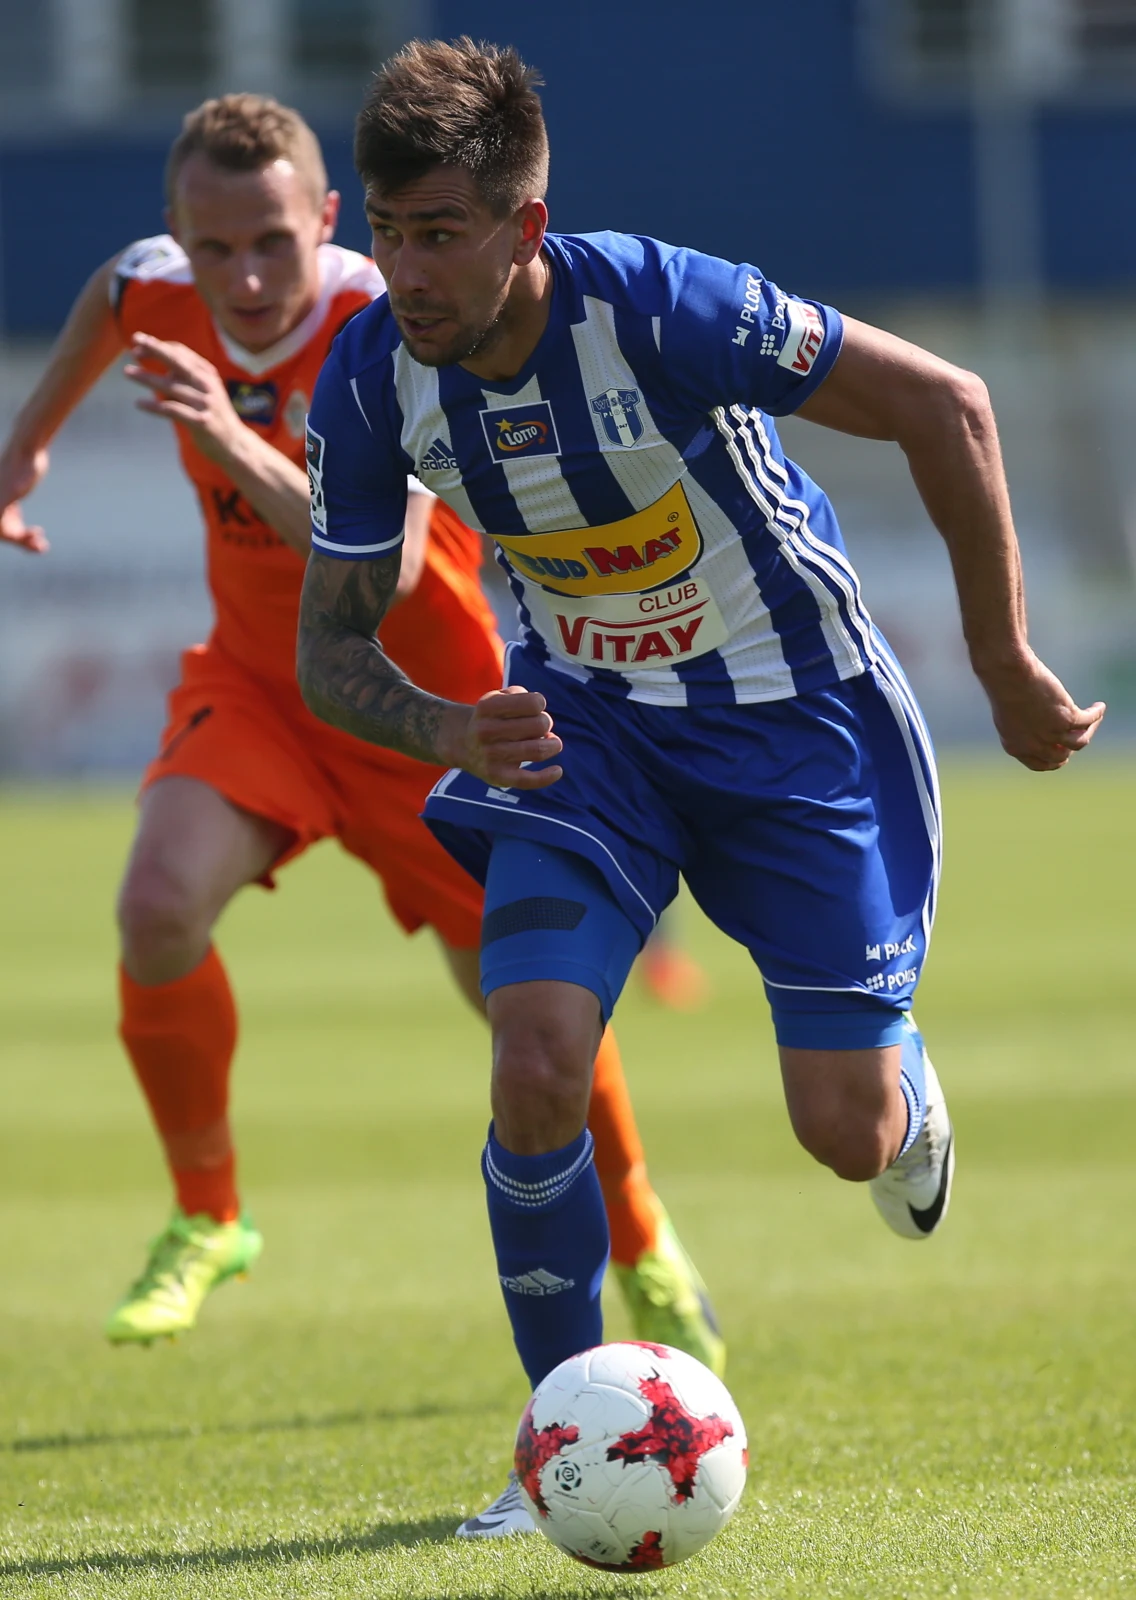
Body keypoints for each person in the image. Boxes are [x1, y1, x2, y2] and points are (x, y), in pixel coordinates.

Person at [294, 36, 1106, 1524]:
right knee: (535, 1057)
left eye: (440, 233)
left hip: (791, 724)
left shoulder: (663, 305)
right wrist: (445, 730)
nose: (402, 270)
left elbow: (950, 406)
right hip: (583, 737)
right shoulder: (368, 382)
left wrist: (1002, 665)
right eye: (387, 230)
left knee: (841, 1134)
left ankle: (902, 1096)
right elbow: (331, 653)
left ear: (523, 228)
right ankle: (555, 1454)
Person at [0, 94, 725, 1439]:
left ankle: (641, 1236)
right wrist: (25, 448)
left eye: (273, 240)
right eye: (212, 251)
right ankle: (208, 1216)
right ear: (180, 239)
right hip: (262, 694)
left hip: (429, 712)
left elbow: (383, 573)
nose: (246, 277)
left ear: (326, 221)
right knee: (156, 909)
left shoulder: (386, 328)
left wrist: (228, 436)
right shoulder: (157, 286)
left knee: (526, 1020)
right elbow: (112, 293)